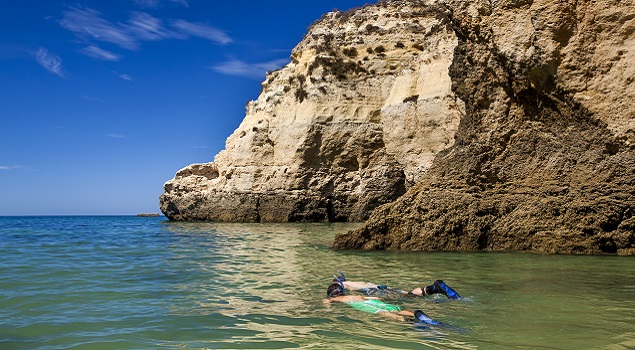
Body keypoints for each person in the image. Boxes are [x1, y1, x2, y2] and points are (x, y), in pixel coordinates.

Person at [324, 278, 440, 324]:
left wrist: (328, 308)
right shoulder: (352, 295)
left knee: (384, 313)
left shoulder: (335, 298)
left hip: (363, 305)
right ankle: (414, 314)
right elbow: (372, 298)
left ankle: (411, 323)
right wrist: (376, 298)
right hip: (370, 301)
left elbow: (326, 302)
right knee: (395, 309)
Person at [334, 271, 461, 300]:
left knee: (410, 297)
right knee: (409, 294)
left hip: (377, 291)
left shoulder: (344, 286)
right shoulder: (350, 282)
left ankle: (435, 288)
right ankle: (433, 288)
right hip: (380, 288)